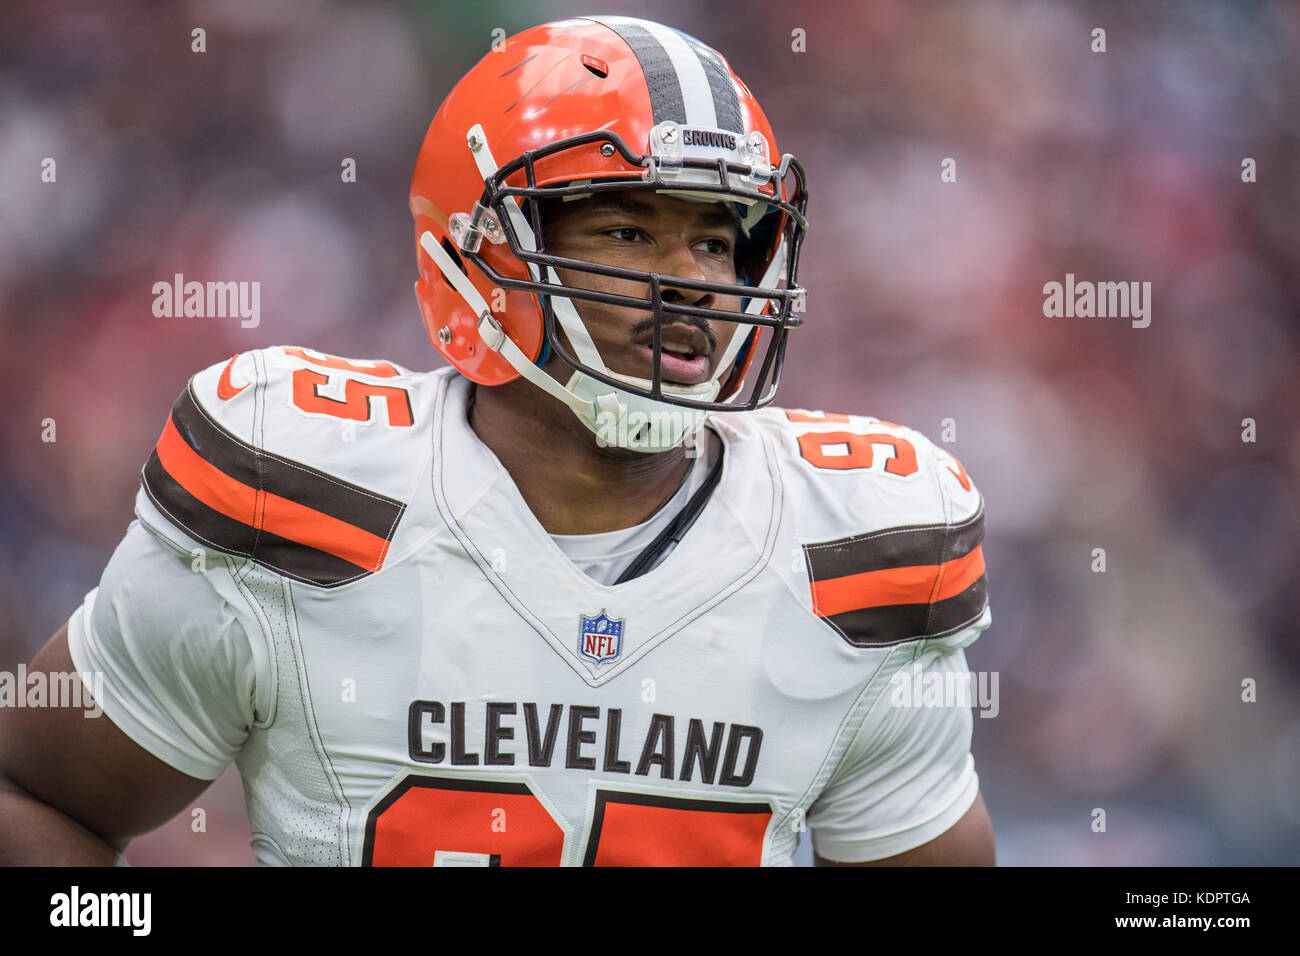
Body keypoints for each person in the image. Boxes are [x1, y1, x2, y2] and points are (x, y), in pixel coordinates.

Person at [0, 15, 994, 866]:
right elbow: (43, 802)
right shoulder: (299, 493)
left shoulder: (855, 550)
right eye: (626, 231)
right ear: (477, 253)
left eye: (714, 238)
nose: (691, 278)